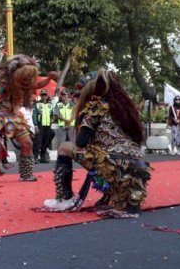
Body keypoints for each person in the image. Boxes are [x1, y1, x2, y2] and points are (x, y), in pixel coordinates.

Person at [42, 68, 152, 219]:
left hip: (114, 165)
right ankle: (112, 195)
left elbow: (81, 142)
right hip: (138, 169)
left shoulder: (96, 106)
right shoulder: (124, 109)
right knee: (101, 153)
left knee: (64, 147)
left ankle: (64, 198)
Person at [0, 55, 56, 185]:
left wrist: (49, 78)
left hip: (13, 117)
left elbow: (37, 84)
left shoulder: (25, 80)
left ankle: (26, 174)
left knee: (28, 143)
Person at [32, 89, 54, 163]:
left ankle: (43, 157)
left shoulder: (50, 104)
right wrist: (35, 125)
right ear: (40, 96)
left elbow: (52, 114)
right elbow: (34, 115)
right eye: (42, 95)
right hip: (40, 125)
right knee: (38, 142)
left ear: (47, 96)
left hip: (48, 125)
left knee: (46, 141)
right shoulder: (37, 104)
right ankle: (35, 157)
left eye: (45, 95)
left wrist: (52, 118)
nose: (44, 96)